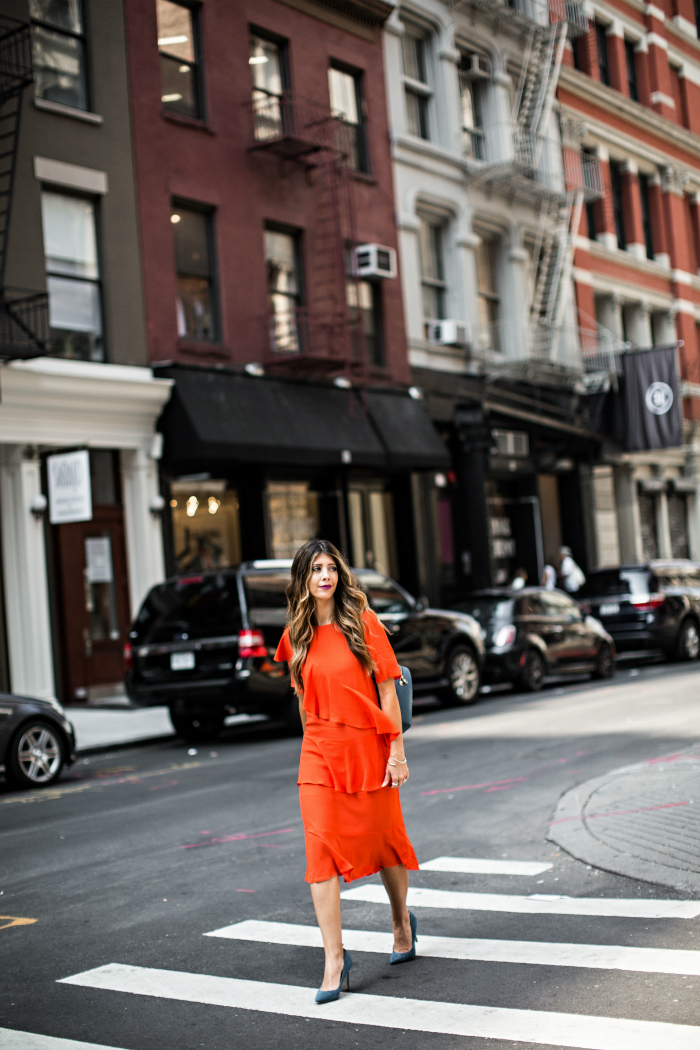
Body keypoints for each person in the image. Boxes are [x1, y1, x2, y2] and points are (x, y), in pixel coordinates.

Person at [274, 539, 419, 1005]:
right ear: (303, 578)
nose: (324, 576)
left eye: (330, 568)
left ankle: (401, 921)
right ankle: (334, 960)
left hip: (367, 749)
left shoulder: (364, 623)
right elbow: (302, 701)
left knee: (384, 841)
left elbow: (388, 692)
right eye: (315, 569)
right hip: (318, 752)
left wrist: (395, 753)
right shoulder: (296, 635)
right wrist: (312, 746)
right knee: (319, 854)